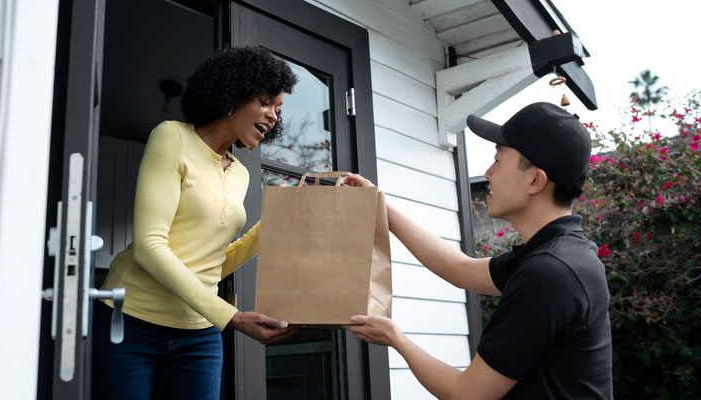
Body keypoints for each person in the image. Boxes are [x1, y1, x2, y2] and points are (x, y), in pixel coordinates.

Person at [342, 102, 613, 399]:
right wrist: (379, 204)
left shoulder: (550, 273)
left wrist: (396, 339)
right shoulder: (559, 254)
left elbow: (468, 394)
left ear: (536, 180)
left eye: (498, 160)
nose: (488, 172)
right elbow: (459, 269)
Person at [92, 47, 298, 400]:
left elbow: (213, 262)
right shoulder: (172, 137)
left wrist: (278, 223)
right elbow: (149, 246)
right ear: (233, 91)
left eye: (278, 109)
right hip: (131, 324)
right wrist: (231, 317)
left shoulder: (241, 174)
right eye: (265, 102)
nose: (273, 116)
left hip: (199, 333)